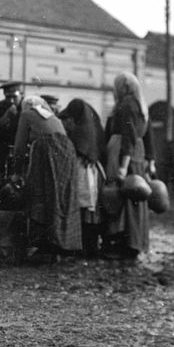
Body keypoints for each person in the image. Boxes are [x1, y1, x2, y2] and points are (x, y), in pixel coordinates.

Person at [12, 95, 81, 258]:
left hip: (48, 152)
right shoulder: (52, 117)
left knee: (39, 194)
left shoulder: (26, 114)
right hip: (67, 155)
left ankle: (43, 243)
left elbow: (19, 146)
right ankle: (62, 242)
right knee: (60, 197)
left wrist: (17, 172)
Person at [103, 72, 156, 260]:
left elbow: (128, 134)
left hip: (124, 153)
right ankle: (136, 241)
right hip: (138, 154)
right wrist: (151, 161)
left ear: (123, 87)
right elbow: (147, 135)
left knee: (122, 196)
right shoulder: (142, 105)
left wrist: (123, 166)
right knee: (136, 197)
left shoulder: (125, 105)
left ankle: (125, 244)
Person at [59, 99, 107, 257]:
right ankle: (90, 247)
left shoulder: (79, 136)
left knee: (82, 209)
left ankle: (81, 247)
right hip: (94, 172)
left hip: (82, 173)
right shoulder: (92, 131)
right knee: (91, 211)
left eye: (69, 120)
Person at [0, 80, 23, 178]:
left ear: (21, 94)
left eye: (14, 97)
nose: (11, 101)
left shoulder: (26, 107)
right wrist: (5, 117)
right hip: (3, 151)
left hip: (21, 151)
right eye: (8, 97)